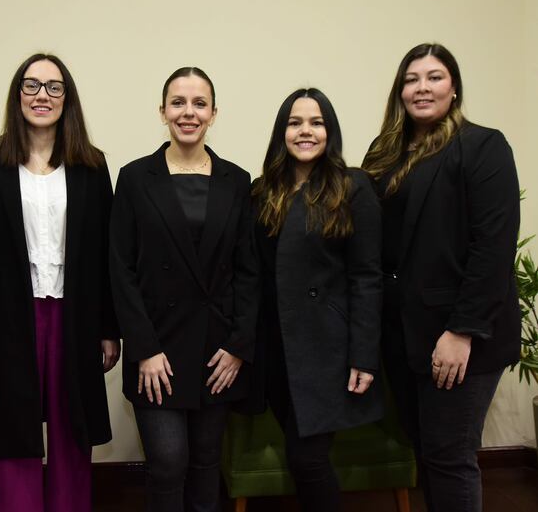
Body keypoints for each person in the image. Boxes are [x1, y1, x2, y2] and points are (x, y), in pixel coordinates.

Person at [0, 53, 120, 512]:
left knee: (72, 426)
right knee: (12, 428)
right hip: (11, 317)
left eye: (53, 86)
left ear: (67, 98)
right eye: (31, 86)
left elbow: (107, 255)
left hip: (74, 317)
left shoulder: (91, 164)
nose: (41, 96)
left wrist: (109, 328)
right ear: (17, 95)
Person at [362, 43, 521, 512]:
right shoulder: (384, 152)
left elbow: (493, 248)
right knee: (428, 454)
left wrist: (462, 331)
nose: (422, 87)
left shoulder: (482, 145)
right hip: (403, 335)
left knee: (450, 456)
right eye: (412, 79)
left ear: (454, 88)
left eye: (434, 77)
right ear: (400, 91)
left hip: (459, 337)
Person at [109, 67, 257, 512]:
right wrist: (143, 349)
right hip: (157, 348)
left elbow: (248, 272)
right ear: (162, 111)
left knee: (206, 463)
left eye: (198, 103)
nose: (188, 112)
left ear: (213, 113)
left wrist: (238, 347)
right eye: (178, 102)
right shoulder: (135, 178)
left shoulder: (238, 180)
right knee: (169, 462)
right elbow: (120, 269)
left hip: (217, 351)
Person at [252, 88, 383, 511]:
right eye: (294, 123)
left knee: (307, 460)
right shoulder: (262, 191)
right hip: (276, 350)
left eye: (316, 122)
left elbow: (367, 276)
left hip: (327, 349)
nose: (305, 131)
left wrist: (364, 355)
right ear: (281, 132)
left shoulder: (352, 186)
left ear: (330, 131)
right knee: (301, 458)